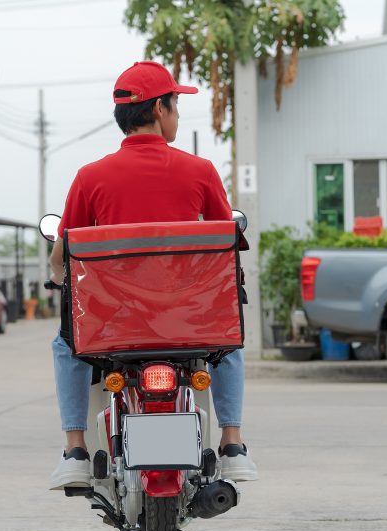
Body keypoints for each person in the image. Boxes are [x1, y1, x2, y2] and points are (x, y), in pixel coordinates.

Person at [47, 61, 258, 489]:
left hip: (113, 328)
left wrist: (59, 275)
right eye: (176, 104)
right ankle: (232, 444)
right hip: (189, 324)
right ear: (159, 109)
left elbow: (62, 254)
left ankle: (75, 450)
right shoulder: (200, 171)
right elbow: (224, 250)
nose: (177, 114)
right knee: (229, 329)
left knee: (66, 341)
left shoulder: (90, 177)